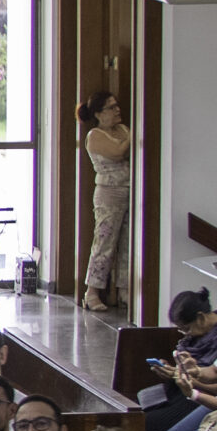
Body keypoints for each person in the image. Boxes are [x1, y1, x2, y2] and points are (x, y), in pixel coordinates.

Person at [78, 90, 132, 312]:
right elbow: (119, 152)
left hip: (129, 191)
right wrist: (135, 134)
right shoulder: (95, 135)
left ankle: (124, 289)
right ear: (99, 114)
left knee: (127, 243)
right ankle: (92, 292)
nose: (117, 110)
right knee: (104, 242)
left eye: (117, 106)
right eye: (111, 107)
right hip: (109, 194)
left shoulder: (123, 129)